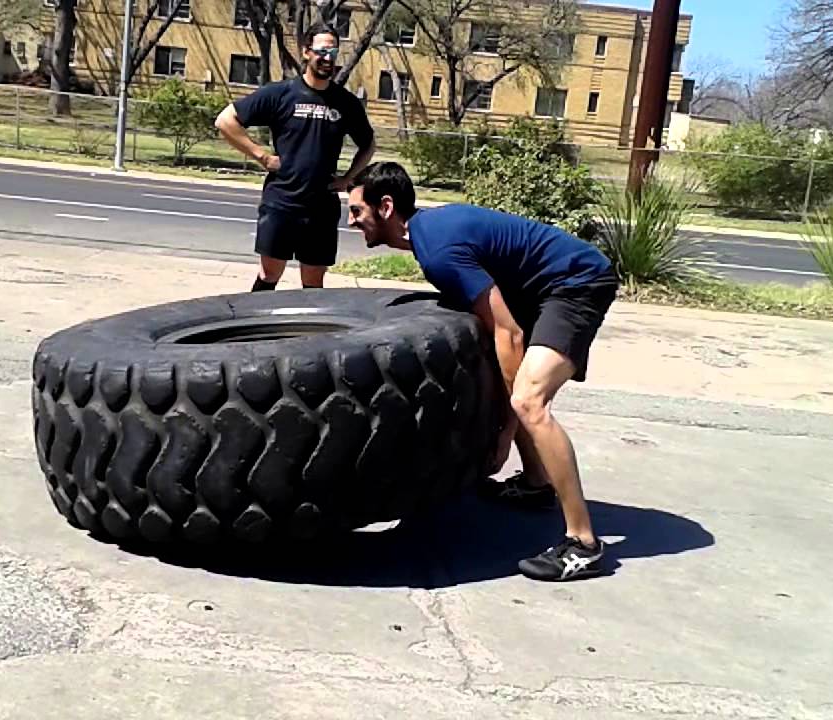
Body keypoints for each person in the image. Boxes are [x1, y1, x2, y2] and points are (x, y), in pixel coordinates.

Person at [345, 161, 620, 582]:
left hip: (576, 282)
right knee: (519, 391)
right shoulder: (428, 234)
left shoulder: (437, 252)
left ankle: (583, 544)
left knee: (529, 401)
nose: (350, 221)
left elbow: (507, 334)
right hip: (542, 287)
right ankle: (535, 484)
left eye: (356, 211)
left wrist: (504, 432)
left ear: (385, 207)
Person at [214, 24, 376, 292]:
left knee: (313, 284)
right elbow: (225, 121)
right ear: (306, 52)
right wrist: (262, 156)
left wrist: (348, 178)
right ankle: (256, 331)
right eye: (321, 51)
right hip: (282, 203)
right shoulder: (281, 94)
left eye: (333, 51)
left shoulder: (344, 102)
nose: (327, 58)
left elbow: (368, 144)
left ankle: (308, 335)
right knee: (269, 275)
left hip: (321, 209)